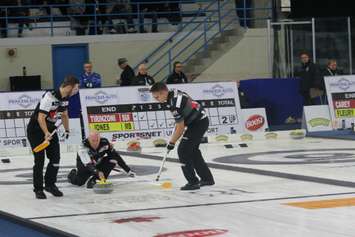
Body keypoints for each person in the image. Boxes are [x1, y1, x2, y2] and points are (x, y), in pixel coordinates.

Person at [150, 82, 214, 191]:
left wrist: (172, 142)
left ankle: (193, 182)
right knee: (193, 151)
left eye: (157, 97)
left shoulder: (174, 104)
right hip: (199, 120)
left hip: (198, 123)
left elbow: (180, 127)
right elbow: (180, 122)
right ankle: (207, 179)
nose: (156, 100)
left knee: (183, 150)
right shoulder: (175, 93)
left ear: (164, 92)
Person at [27, 75, 80, 199]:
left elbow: (65, 115)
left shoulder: (66, 98)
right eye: (76, 88)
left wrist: (67, 130)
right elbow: (40, 118)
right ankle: (38, 189)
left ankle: (50, 185)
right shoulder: (49, 97)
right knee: (39, 161)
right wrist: (45, 133)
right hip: (36, 130)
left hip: (50, 129)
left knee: (55, 158)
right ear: (69, 87)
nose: (77, 90)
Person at [68, 131, 135, 188]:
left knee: (113, 160)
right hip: (84, 166)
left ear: (100, 139)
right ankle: (72, 174)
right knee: (79, 182)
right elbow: (88, 164)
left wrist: (128, 170)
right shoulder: (83, 146)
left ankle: (96, 179)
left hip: (97, 163)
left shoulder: (105, 143)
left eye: (97, 140)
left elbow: (115, 156)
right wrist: (98, 172)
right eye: (93, 140)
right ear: (88, 139)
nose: (95, 143)